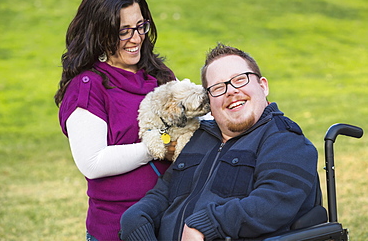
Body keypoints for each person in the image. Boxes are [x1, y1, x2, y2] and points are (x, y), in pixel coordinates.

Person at [120, 43, 321, 240]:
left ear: (263, 86)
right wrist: (136, 219)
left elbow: (273, 203)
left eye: (240, 79)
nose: (231, 91)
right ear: (209, 101)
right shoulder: (198, 138)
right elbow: (164, 194)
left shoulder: (284, 139)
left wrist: (207, 224)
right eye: (218, 87)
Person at [54, 0, 176, 241]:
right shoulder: (87, 87)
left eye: (140, 26)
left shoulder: (159, 75)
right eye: (123, 32)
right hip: (118, 229)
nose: (136, 38)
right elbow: (93, 162)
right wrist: (157, 147)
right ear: (100, 33)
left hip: (172, 222)